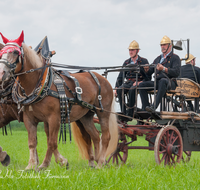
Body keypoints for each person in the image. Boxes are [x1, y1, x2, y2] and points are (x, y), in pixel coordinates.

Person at [139, 35, 181, 112]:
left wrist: (164, 69)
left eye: (164, 45)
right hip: (158, 82)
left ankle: (154, 107)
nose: (162, 47)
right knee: (141, 85)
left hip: (170, 82)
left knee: (162, 81)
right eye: (161, 45)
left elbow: (176, 72)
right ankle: (145, 108)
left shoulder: (175, 58)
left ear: (170, 46)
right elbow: (150, 71)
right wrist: (146, 69)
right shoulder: (158, 59)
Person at [115, 40, 150, 119]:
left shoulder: (144, 61)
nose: (130, 52)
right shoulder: (126, 62)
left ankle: (130, 114)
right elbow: (121, 76)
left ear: (137, 51)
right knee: (120, 89)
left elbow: (148, 77)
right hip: (129, 82)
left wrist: (139, 82)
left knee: (132, 89)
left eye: (132, 50)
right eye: (130, 50)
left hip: (139, 82)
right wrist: (116, 87)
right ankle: (123, 113)